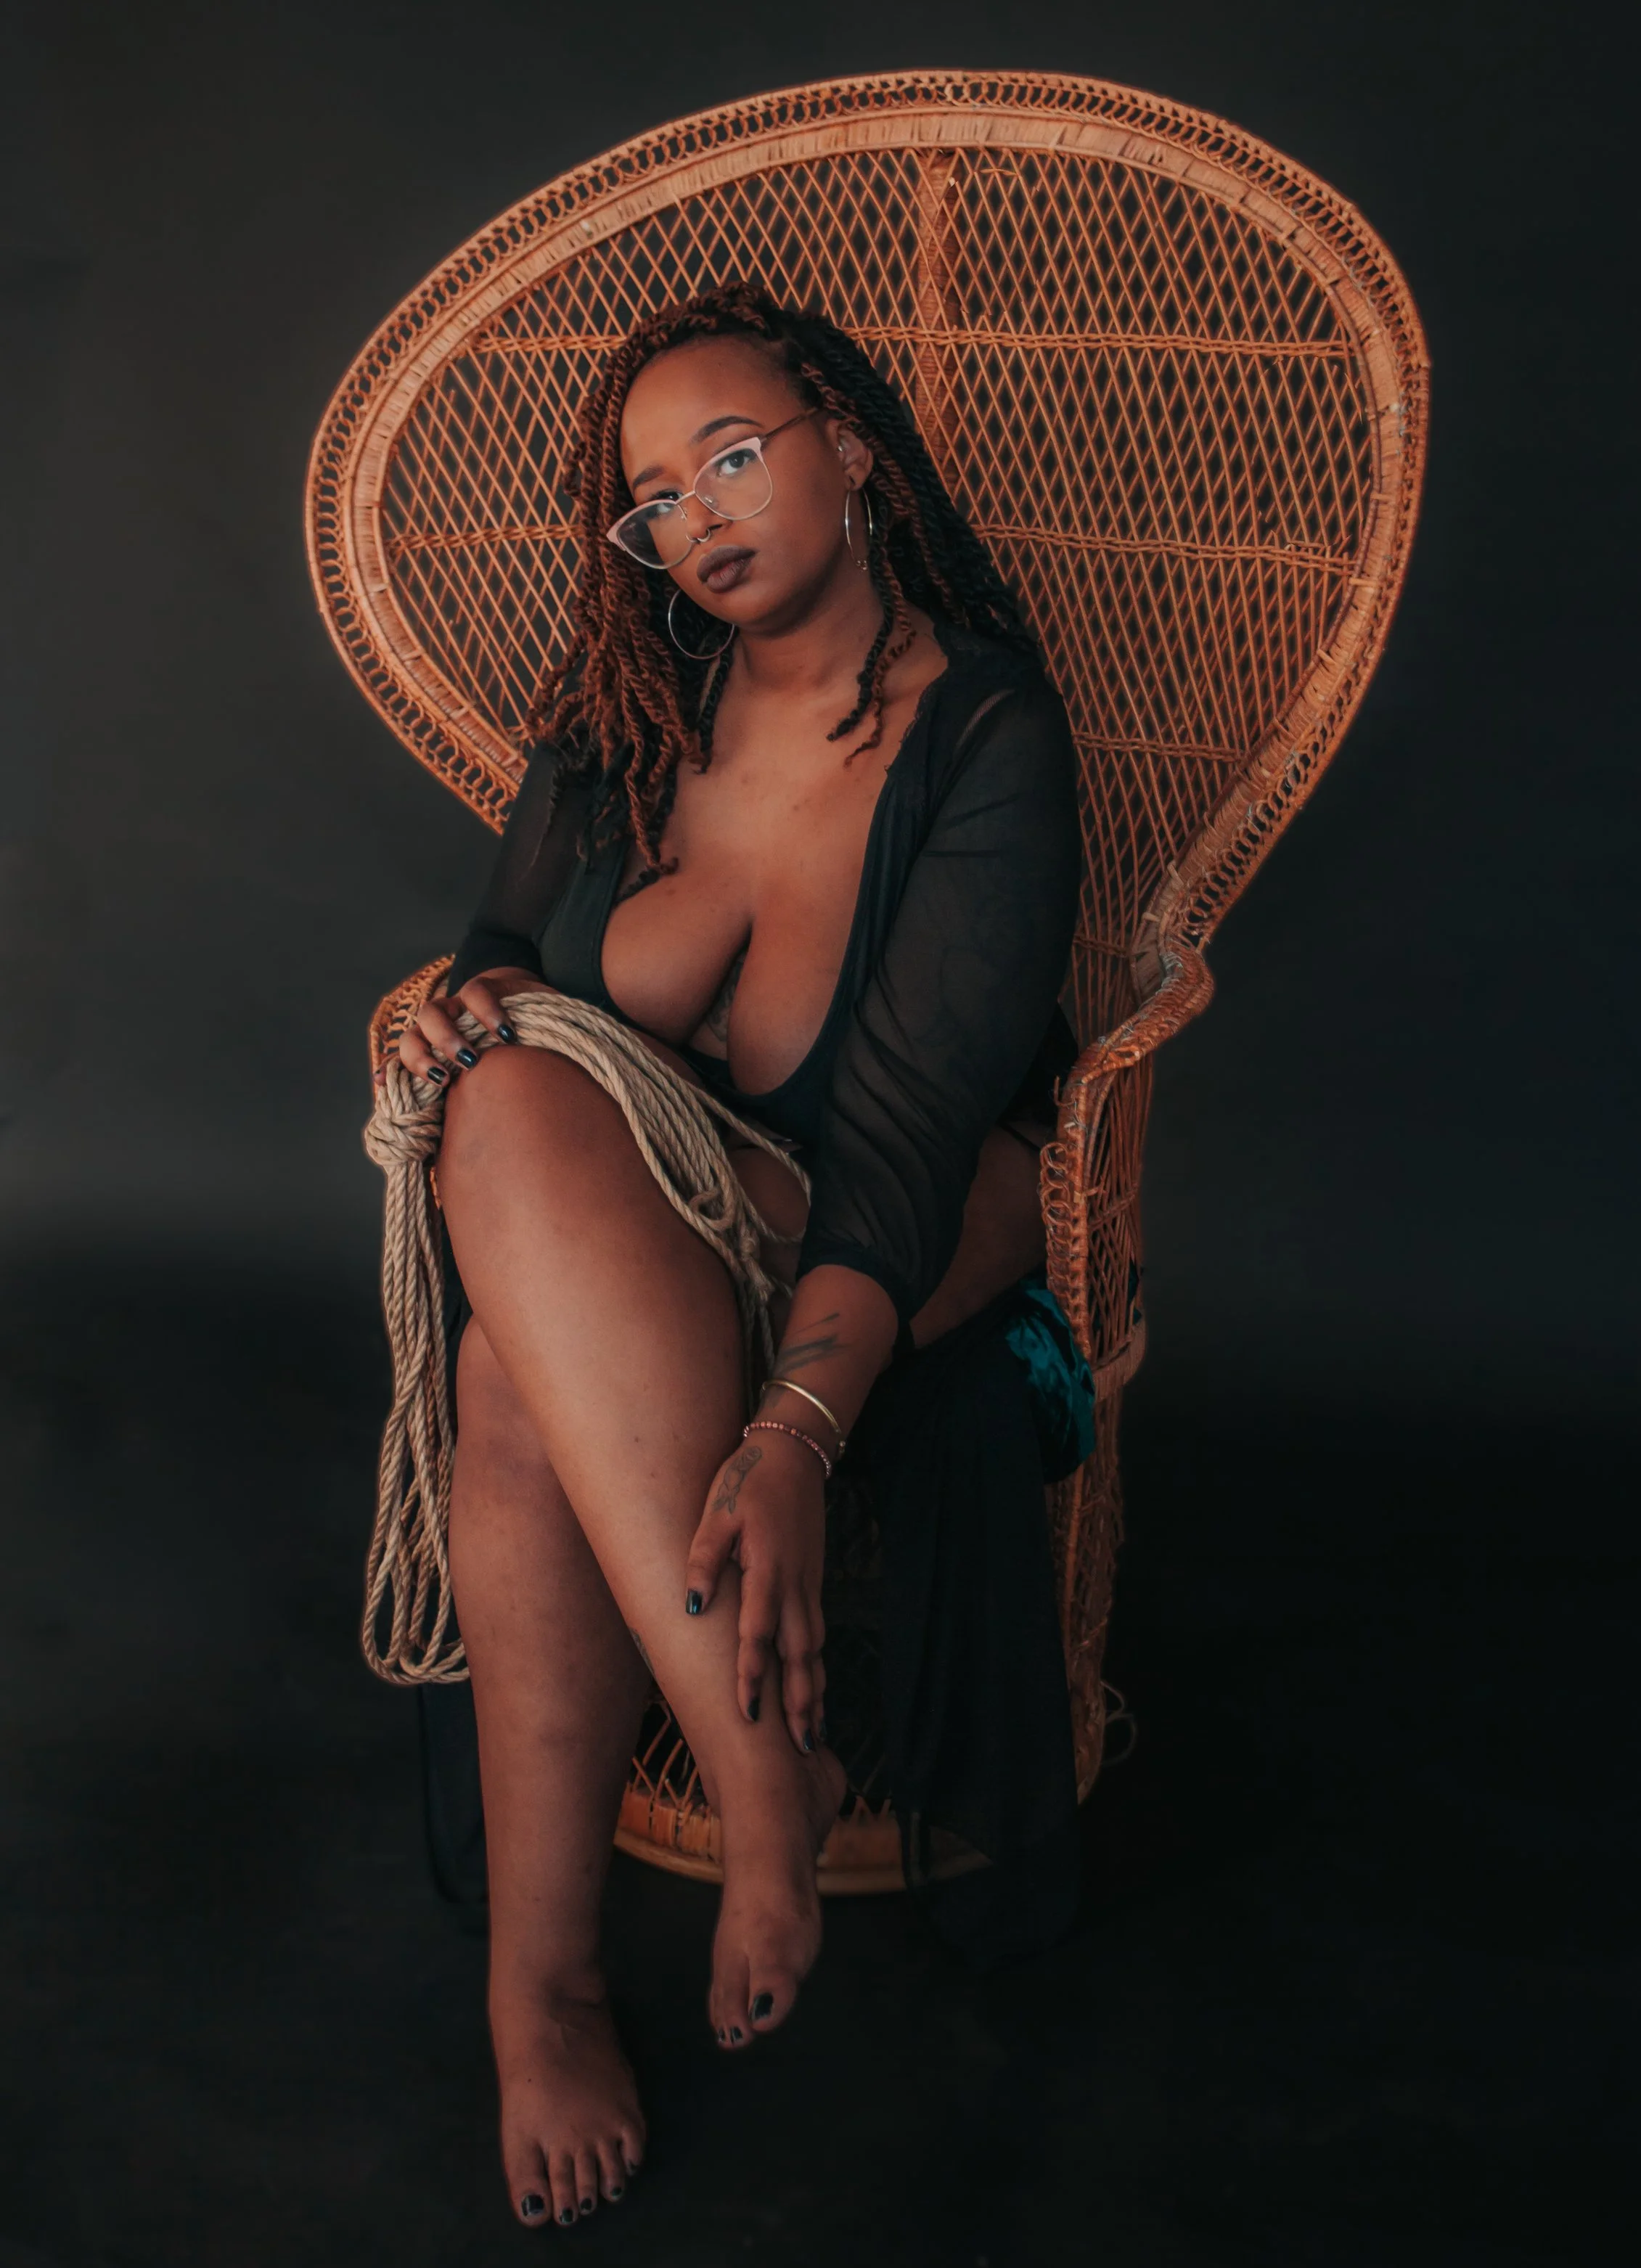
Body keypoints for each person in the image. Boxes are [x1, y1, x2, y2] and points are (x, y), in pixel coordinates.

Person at [391, 281, 1088, 2229]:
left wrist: (790, 1426)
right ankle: (713, 1810)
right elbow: (501, 973)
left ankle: (556, 1971)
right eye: (649, 498)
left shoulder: (985, 735)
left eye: (732, 452)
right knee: (505, 1118)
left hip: (904, 1219)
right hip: (653, 1205)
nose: (695, 513)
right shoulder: (627, 712)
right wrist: (441, 1019)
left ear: (845, 445)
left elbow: (898, 1141)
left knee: (510, 1381)